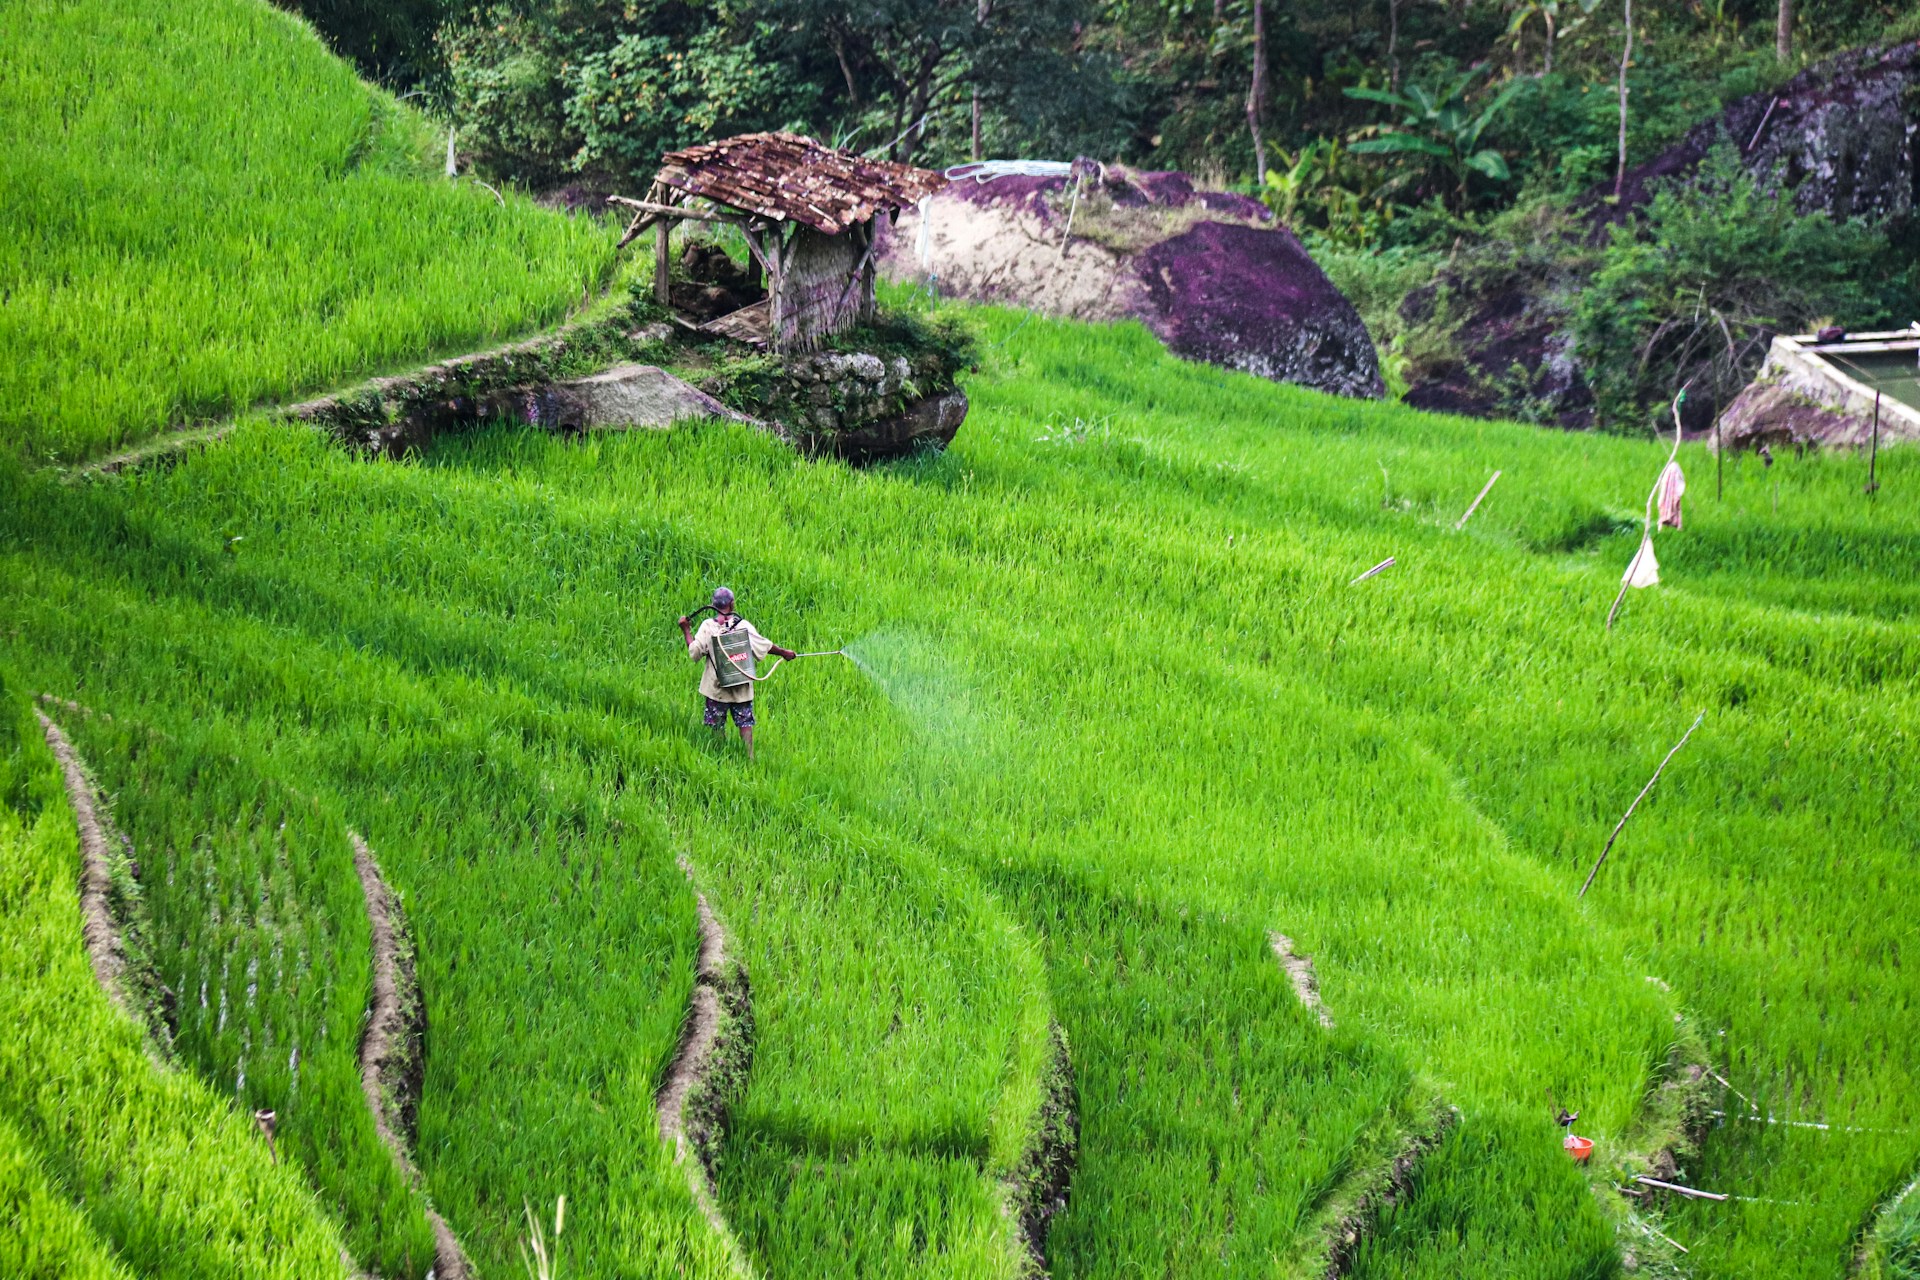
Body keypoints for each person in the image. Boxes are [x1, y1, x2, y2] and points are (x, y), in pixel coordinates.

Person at [679, 587, 795, 762]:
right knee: (745, 724)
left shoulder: (708, 627)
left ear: (713, 605)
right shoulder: (743, 626)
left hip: (716, 690)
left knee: (716, 726)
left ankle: (720, 758)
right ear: (732, 604)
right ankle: (749, 758)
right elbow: (764, 646)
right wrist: (784, 653)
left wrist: (686, 630)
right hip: (741, 690)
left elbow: (694, 652)